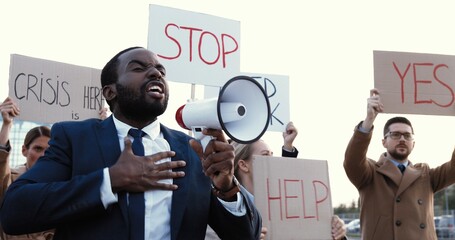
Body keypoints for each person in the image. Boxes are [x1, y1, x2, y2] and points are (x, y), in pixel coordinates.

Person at [0, 47, 262, 240]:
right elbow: (14, 212)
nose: (155, 73)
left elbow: (246, 236)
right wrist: (109, 181)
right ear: (110, 92)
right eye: (139, 68)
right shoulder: (74, 138)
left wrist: (227, 187)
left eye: (161, 71)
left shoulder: (194, 151)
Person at [343, 88, 455, 239]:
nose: (402, 139)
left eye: (407, 135)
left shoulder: (426, 174)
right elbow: (352, 162)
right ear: (384, 142)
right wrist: (368, 121)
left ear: (413, 144)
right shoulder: (370, 173)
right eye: (395, 134)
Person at [207, 121, 347, 240]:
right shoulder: (227, 208)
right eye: (266, 155)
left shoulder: (284, 205)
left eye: (272, 155)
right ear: (244, 165)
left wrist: (335, 232)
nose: (272, 160)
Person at [0, 97, 54, 240]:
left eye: (48, 151)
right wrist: (7, 124)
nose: (43, 155)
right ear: (24, 150)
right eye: (38, 149)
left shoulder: (61, 187)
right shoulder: (10, 180)